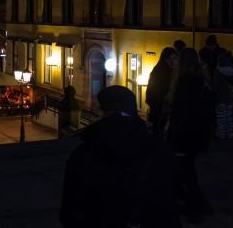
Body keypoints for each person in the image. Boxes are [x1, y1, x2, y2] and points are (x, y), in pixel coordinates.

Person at [60, 86, 181, 228]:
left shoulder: (83, 154)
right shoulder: (160, 148)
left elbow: (70, 212)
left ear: (102, 111)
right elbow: (170, 202)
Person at [166, 48, 215, 223]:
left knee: (184, 169)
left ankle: (194, 205)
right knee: (187, 167)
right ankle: (193, 202)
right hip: (198, 132)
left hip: (184, 133)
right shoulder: (203, 81)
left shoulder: (185, 82)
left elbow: (180, 110)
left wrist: (172, 130)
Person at [146, 47, 178, 134]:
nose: (172, 61)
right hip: (159, 108)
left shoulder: (176, 73)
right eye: (169, 59)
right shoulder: (158, 73)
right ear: (165, 60)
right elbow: (152, 92)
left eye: (174, 58)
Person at [213, 52, 233, 140]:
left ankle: (221, 134)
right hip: (230, 97)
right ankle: (229, 133)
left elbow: (216, 85)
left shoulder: (218, 71)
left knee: (221, 117)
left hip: (220, 97)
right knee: (229, 116)